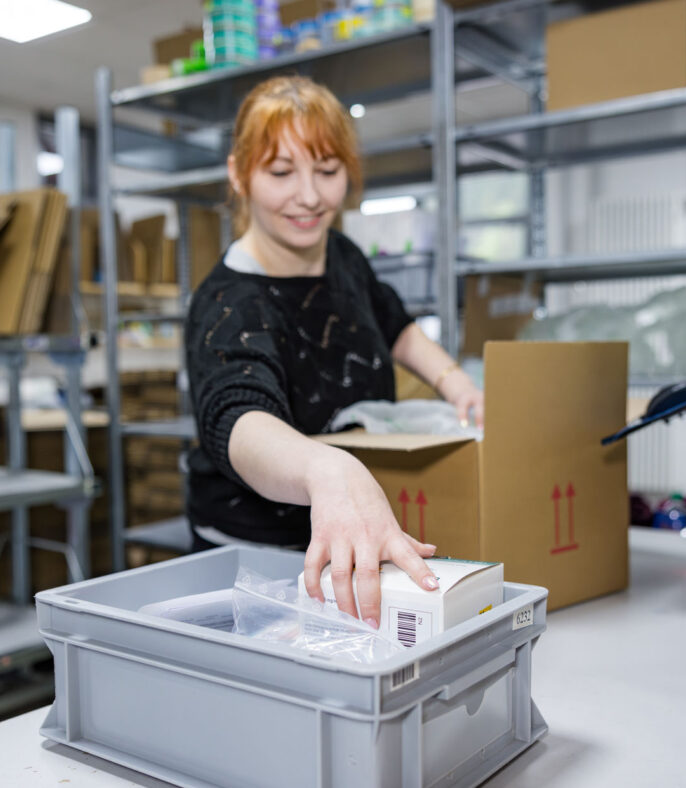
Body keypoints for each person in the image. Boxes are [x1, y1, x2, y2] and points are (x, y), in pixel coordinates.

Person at [185, 76, 484, 630]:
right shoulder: (229, 304)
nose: (310, 196)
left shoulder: (342, 254)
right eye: (281, 173)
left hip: (347, 529)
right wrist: (326, 469)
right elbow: (237, 419)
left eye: (327, 171)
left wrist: (456, 383)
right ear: (239, 174)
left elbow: (395, 325)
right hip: (255, 555)